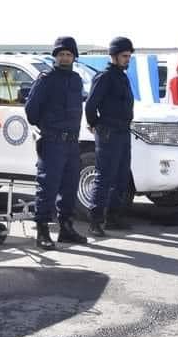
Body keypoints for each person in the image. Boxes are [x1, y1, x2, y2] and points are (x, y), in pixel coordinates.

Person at [25, 36, 88, 249]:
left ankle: (66, 229)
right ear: (55, 56)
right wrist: (47, 126)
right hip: (52, 142)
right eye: (61, 54)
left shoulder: (76, 80)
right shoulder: (46, 79)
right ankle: (42, 230)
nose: (64, 58)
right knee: (48, 187)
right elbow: (31, 111)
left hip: (72, 143)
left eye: (68, 54)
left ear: (74, 57)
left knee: (70, 187)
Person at [85, 36, 135, 236]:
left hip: (123, 132)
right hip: (108, 133)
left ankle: (113, 218)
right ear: (114, 56)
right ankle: (95, 221)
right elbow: (91, 105)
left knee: (121, 178)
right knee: (104, 177)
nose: (127, 59)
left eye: (129, 56)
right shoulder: (104, 77)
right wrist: (95, 124)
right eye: (124, 56)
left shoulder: (122, 76)